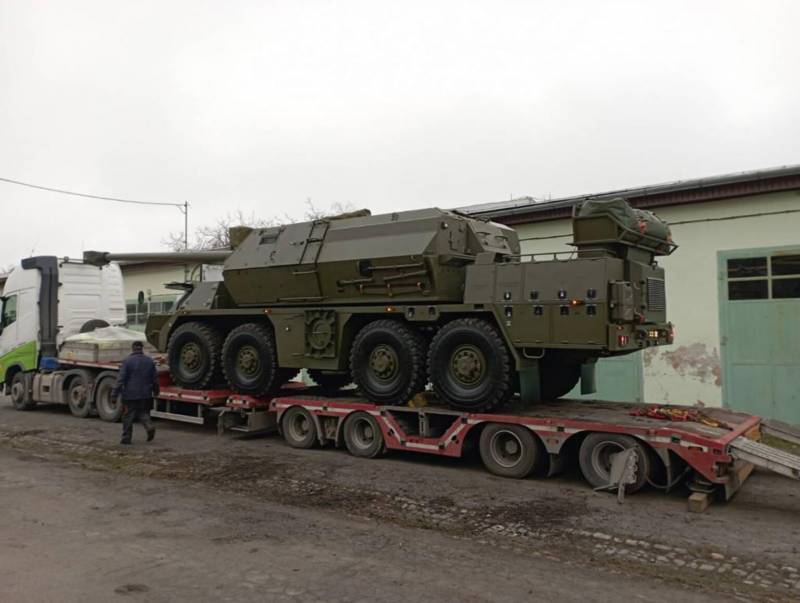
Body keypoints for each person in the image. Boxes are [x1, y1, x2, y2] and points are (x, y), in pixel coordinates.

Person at [112, 341, 159, 445]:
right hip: (145, 394)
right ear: (142, 348)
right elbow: (155, 379)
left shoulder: (127, 361)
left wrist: (114, 394)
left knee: (128, 416)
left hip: (130, 394)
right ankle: (149, 425)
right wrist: (156, 392)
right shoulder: (149, 361)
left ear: (133, 348)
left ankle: (126, 438)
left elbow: (121, 379)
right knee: (142, 412)